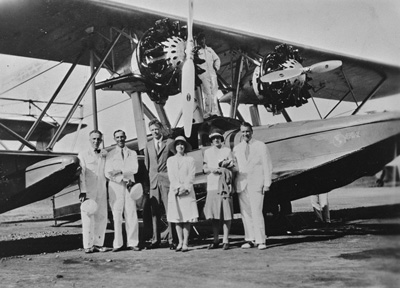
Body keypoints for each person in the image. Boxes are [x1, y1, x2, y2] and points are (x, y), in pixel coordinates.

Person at [233, 122, 272, 250]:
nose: (245, 134)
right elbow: (236, 166)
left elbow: (267, 165)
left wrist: (267, 183)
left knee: (256, 211)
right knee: (246, 213)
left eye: (247, 131)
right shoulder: (237, 148)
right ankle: (250, 239)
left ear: (252, 132)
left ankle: (261, 240)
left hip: (257, 183)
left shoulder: (260, 146)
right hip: (242, 184)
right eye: (243, 132)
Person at [105, 130, 140, 252]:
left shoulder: (132, 153)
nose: (120, 139)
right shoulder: (110, 154)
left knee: (131, 213)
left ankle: (133, 242)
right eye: (117, 137)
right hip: (115, 186)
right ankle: (118, 244)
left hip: (130, 185)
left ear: (125, 137)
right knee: (117, 214)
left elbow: (134, 168)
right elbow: (108, 172)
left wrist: (120, 171)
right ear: (114, 139)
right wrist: (123, 176)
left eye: (122, 137)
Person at [144, 119, 176, 249]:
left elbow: (175, 161)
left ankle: (172, 239)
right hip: (153, 183)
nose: (154, 132)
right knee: (154, 213)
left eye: (156, 129)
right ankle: (155, 240)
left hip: (167, 181)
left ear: (161, 129)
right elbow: (147, 165)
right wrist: (148, 183)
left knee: (170, 211)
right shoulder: (148, 145)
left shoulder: (169, 143)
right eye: (152, 130)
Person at [78, 130, 109, 254]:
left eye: (98, 139)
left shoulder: (103, 154)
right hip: (89, 191)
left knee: (101, 217)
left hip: (102, 189)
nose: (96, 141)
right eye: (94, 139)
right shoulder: (83, 154)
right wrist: (83, 191)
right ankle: (88, 245)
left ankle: (98, 243)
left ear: (101, 140)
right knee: (88, 217)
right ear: (90, 140)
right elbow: (82, 174)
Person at [166, 136, 199, 252]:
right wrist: (178, 188)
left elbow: (191, 175)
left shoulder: (190, 160)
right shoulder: (170, 160)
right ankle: (179, 242)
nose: (180, 146)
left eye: (182, 144)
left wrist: (185, 188)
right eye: (178, 144)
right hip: (175, 191)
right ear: (175, 147)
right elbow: (171, 176)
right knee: (177, 218)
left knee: (187, 218)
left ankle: (185, 242)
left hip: (187, 192)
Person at [203, 131, 234, 250]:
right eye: (214, 138)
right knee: (215, 215)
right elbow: (204, 168)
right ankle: (216, 239)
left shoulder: (227, 151)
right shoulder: (207, 152)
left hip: (224, 185)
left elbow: (232, 165)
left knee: (226, 214)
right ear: (211, 140)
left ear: (221, 139)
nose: (216, 140)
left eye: (218, 138)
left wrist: (225, 166)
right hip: (212, 185)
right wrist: (212, 169)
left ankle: (226, 240)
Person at [196, 33, 221, 118]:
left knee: (214, 93)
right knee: (207, 94)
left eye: (203, 39)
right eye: (200, 39)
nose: (202, 41)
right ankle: (207, 113)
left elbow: (217, 59)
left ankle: (215, 112)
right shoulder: (197, 51)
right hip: (203, 74)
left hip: (212, 73)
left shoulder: (209, 50)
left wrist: (216, 68)